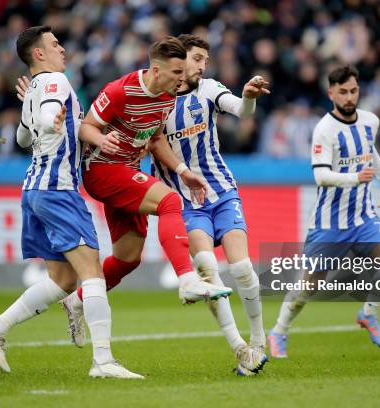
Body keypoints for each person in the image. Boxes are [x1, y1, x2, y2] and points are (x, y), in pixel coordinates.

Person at [0, 26, 142, 379]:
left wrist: (37, 115)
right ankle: (103, 361)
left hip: (34, 191)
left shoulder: (34, 88)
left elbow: (21, 138)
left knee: (63, 279)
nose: (62, 49)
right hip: (58, 190)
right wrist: (50, 118)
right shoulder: (55, 82)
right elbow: (51, 112)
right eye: (54, 44)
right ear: (38, 54)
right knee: (91, 272)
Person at [151, 34, 270, 376]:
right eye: (197, 59)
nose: (202, 66)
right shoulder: (157, 100)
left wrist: (248, 99)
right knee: (207, 269)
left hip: (221, 192)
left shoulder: (208, 89)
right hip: (184, 203)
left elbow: (239, 107)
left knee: (244, 268)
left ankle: (259, 340)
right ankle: (240, 349)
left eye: (205, 60)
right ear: (179, 60)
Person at [267, 65, 380, 358]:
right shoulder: (324, 130)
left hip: (363, 217)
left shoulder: (370, 121)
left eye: (353, 90)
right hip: (330, 222)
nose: (349, 96)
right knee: (310, 285)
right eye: (343, 92)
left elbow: (370, 151)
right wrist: (356, 178)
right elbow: (321, 176)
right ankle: (278, 331)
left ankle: (368, 314)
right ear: (331, 94)